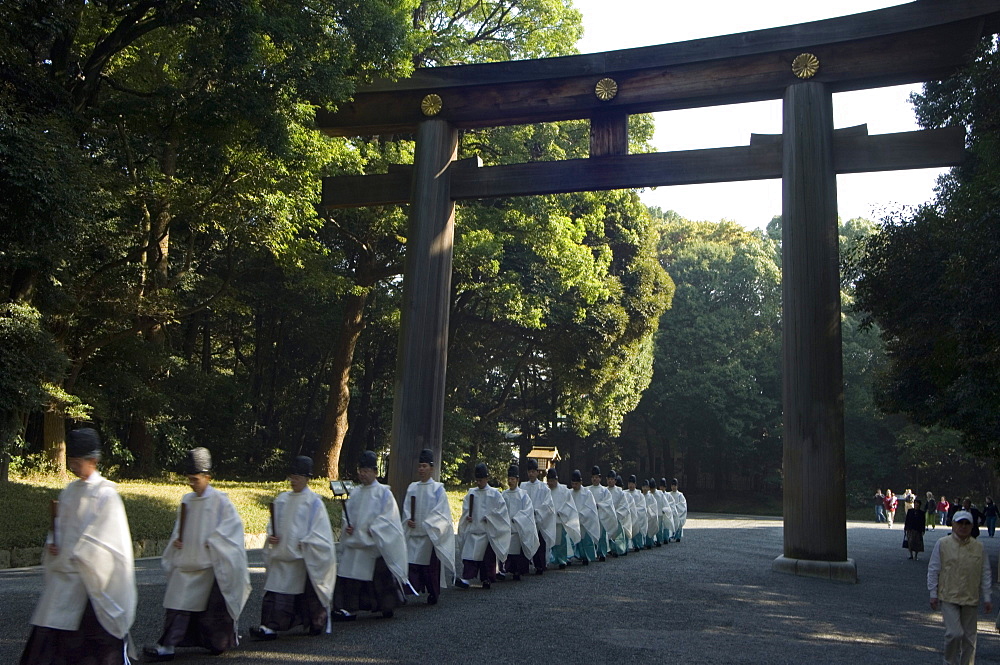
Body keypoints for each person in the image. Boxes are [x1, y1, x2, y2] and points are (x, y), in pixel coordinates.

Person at [20, 428, 137, 665]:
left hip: (93, 582)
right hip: (67, 578)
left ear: (93, 461)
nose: (74, 467)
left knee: (98, 644)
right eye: (71, 462)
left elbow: (110, 539)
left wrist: (84, 552)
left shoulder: (106, 494)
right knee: (50, 636)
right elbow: (59, 527)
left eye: (78, 462)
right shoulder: (70, 491)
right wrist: (54, 541)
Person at [145, 447, 251, 662]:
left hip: (210, 565)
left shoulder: (221, 501)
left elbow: (232, 531)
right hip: (187, 562)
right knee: (177, 605)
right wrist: (177, 540)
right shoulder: (187, 500)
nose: (192, 483)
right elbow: (179, 527)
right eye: (189, 479)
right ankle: (167, 646)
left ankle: (217, 642)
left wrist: (213, 541)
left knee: (213, 615)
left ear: (207, 477)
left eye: (196, 479)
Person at [251, 456, 336, 641]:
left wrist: (308, 542)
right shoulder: (282, 499)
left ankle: (315, 622)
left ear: (307, 478)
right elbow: (272, 525)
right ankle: (269, 627)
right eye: (292, 476)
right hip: (282, 554)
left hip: (303, 558)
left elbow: (321, 533)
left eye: (298, 477)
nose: (294, 481)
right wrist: (272, 535)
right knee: (275, 592)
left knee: (309, 595)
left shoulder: (314, 502)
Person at [333, 450, 413, 621]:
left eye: (367, 471)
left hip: (373, 542)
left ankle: (386, 606)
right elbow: (347, 515)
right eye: (361, 470)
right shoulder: (355, 493)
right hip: (356, 541)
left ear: (375, 472)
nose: (363, 474)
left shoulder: (384, 493)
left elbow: (389, 517)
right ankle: (346, 608)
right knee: (348, 571)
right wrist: (348, 526)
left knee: (379, 577)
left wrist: (375, 528)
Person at [927, 510, 992, 665]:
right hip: (948, 596)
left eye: (967, 523)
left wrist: (987, 597)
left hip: (970, 597)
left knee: (970, 639)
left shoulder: (979, 547)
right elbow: (934, 568)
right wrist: (932, 593)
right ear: (954, 524)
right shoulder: (943, 544)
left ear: (972, 526)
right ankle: (949, 661)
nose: (963, 526)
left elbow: (985, 572)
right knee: (954, 633)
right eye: (960, 523)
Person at [402, 448, 456, 605]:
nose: (421, 469)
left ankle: (433, 593)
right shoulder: (412, 487)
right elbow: (406, 508)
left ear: (432, 468)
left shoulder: (438, 489)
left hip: (428, 534)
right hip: (414, 533)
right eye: (420, 466)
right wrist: (408, 520)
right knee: (411, 564)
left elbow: (441, 512)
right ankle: (408, 591)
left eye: (424, 466)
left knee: (430, 568)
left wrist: (430, 524)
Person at [456, 462, 510, 589]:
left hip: (487, 532)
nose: (478, 482)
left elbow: (501, 512)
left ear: (487, 478)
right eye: (477, 480)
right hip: (473, 529)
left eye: (481, 480)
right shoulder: (471, 493)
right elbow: (466, 509)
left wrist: (491, 518)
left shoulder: (495, 494)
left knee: (487, 558)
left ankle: (487, 579)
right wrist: (467, 516)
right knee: (469, 556)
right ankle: (467, 578)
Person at [501, 464, 539, 580]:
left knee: (518, 551)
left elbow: (528, 510)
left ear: (517, 480)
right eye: (509, 479)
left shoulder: (523, 495)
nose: (510, 481)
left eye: (513, 479)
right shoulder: (504, 494)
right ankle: (508, 569)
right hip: (508, 527)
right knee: (508, 550)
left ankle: (518, 571)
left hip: (518, 527)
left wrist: (518, 518)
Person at [521, 458, 556, 575]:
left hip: (538, 519)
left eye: (533, 471)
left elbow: (548, 505)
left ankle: (540, 565)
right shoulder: (523, 486)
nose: (531, 474)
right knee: (524, 541)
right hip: (526, 518)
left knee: (539, 543)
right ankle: (523, 566)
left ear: (537, 472)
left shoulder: (543, 488)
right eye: (529, 471)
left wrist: (538, 512)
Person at [546, 467, 581, 568]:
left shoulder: (564, 490)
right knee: (550, 541)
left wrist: (561, 512)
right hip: (549, 520)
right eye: (549, 481)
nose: (551, 483)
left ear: (556, 480)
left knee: (561, 542)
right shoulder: (545, 490)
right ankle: (551, 559)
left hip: (559, 520)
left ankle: (562, 560)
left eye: (552, 481)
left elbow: (568, 504)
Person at [570, 469, 601, 565]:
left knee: (586, 540)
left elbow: (590, 507)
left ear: (581, 482)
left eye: (576, 484)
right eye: (573, 484)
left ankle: (587, 556)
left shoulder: (587, 493)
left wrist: (581, 514)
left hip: (584, 521)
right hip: (573, 520)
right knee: (574, 539)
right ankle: (577, 555)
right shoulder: (569, 493)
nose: (574, 486)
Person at [588, 466, 618, 562]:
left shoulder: (604, 490)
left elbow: (608, 503)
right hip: (591, 516)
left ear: (600, 478)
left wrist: (599, 505)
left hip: (601, 516)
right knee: (590, 535)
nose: (595, 479)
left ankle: (602, 553)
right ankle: (591, 553)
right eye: (593, 477)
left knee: (602, 536)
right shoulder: (587, 490)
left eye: (596, 477)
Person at [605, 470, 631, 557]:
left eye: (612, 479)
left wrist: (616, 514)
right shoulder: (604, 491)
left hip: (616, 516)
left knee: (617, 536)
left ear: (615, 481)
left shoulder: (620, 492)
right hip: (607, 517)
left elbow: (624, 506)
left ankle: (618, 550)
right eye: (609, 479)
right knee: (607, 534)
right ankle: (609, 549)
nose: (610, 481)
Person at [624, 475, 646, 551]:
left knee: (637, 530)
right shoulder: (624, 493)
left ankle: (637, 545)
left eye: (632, 483)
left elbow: (642, 507)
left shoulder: (639, 494)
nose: (631, 485)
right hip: (628, 515)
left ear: (635, 485)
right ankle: (626, 547)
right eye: (629, 483)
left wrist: (634, 510)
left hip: (636, 515)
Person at [656, 479, 676, 546]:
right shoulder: (658, 494)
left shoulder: (668, 495)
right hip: (660, 513)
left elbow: (671, 504)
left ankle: (666, 538)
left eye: (663, 487)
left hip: (666, 513)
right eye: (661, 486)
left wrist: (666, 509)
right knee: (660, 526)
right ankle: (660, 539)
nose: (662, 488)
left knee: (666, 526)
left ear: (665, 487)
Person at [669, 477, 688, 542]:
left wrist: (675, 507)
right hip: (672, 513)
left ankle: (678, 537)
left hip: (678, 513)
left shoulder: (680, 495)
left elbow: (683, 505)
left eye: (675, 486)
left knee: (678, 523)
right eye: (672, 486)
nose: (674, 487)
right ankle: (670, 536)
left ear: (677, 486)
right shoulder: (669, 494)